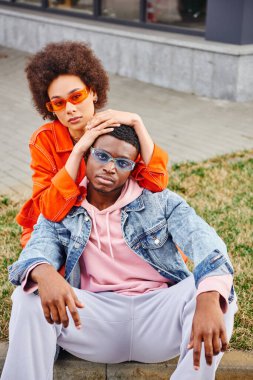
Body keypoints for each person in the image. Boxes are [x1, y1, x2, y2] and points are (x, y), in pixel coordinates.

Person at [2, 125, 237, 380]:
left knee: (215, 290)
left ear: (132, 170)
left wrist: (209, 296)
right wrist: (44, 271)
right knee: (29, 296)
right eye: (102, 156)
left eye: (122, 163)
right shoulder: (63, 207)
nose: (110, 167)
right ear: (86, 156)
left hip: (158, 318)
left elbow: (206, 243)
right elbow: (37, 248)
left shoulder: (160, 202)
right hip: (92, 320)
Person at [17, 41, 169, 248]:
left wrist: (137, 122)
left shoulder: (116, 130)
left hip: (109, 224)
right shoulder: (44, 141)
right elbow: (50, 210)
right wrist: (79, 150)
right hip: (61, 226)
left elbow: (157, 183)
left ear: (93, 92)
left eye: (76, 96)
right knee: (46, 265)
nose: (70, 108)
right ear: (50, 107)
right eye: (59, 103)